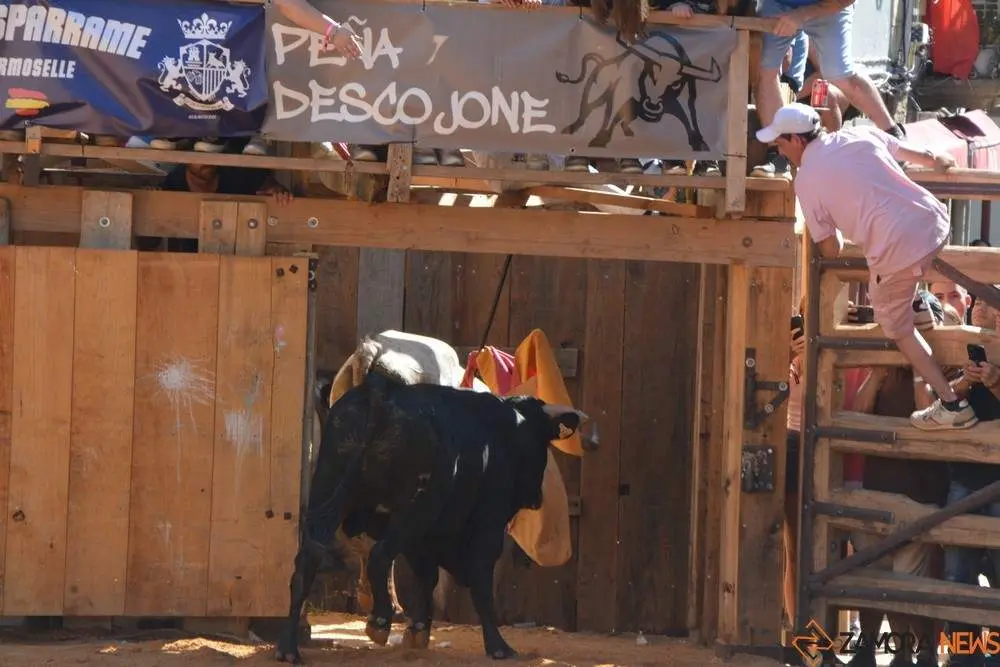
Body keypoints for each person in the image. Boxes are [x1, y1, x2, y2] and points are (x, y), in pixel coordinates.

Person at [756, 102, 976, 431]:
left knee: (896, 327)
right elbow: (930, 157)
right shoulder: (858, 134)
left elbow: (831, 249)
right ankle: (918, 310)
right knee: (903, 286)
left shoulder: (806, 182)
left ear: (798, 140)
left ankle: (951, 402)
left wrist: (851, 223)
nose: (780, 150)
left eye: (781, 143)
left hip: (897, 253)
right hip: (934, 222)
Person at [752, 0, 905, 179]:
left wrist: (800, 16)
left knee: (839, 73)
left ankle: (892, 134)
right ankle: (778, 156)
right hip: (778, 4)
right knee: (765, 72)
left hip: (829, 5)